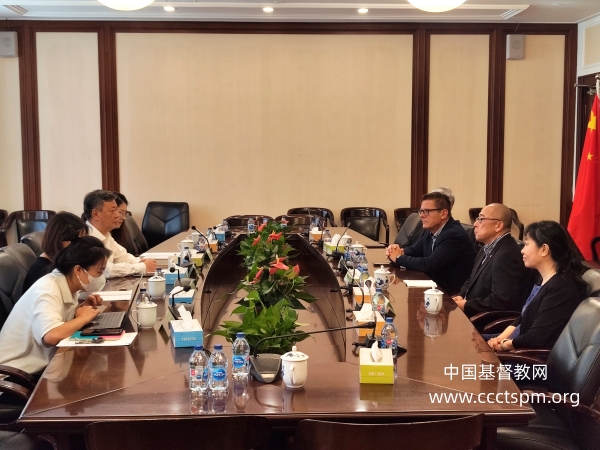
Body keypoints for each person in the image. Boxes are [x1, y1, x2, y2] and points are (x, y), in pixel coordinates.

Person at [0, 236, 111, 375]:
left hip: (41, 367)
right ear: (78, 270)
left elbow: (58, 317)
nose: (101, 277)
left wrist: (80, 309)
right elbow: (51, 336)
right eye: (99, 272)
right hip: (15, 375)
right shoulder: (48, 289)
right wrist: (83, 318)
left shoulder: (67, 283)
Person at [487, 221, 587, 352]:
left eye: (527, 244)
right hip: (516, 344)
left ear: (544, 249)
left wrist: (503, 345)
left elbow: (535, 337)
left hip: (527, 355)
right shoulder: (542, 279)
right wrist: (500, 338)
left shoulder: (561, 288)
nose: (522, 250)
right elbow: (521, 319)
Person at [386, 191, 476, 295]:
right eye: (421, 211)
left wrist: (398, 258)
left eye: (427, 211)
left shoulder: (453, 234)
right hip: (434, 289)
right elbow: (414, 250)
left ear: (443, 213)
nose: (421, 216)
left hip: (452, 295)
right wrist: (394, 251)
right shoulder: (431, 230)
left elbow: (430, 264)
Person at [452, 203, 532, 317]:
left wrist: (466, 305)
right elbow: (471, 279)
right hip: (470, 311)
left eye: (481, 219)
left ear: (498, 225)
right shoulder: (485, 248)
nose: (475, 224)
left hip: (483, 319)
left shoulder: (507, 254)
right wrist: (461, 295)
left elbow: (502, 301)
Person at [83, 189, 156, 277]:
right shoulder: (87, 238)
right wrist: (141, 267)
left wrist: (140, 262)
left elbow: (122, 256)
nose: (117, 215)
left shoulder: (105, 234)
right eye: (112, 210)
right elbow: (107, 271)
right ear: (96, 214)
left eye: (117, 210)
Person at [22, 212, 88, 293]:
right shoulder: (42, 272)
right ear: (61, 239)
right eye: (78, 242)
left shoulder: (58, 263)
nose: (81, 247)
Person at [110, 192, 138, 256]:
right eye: (120, 212)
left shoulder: (116, 231)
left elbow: (124, 257)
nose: (124, 218)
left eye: (125, 213)